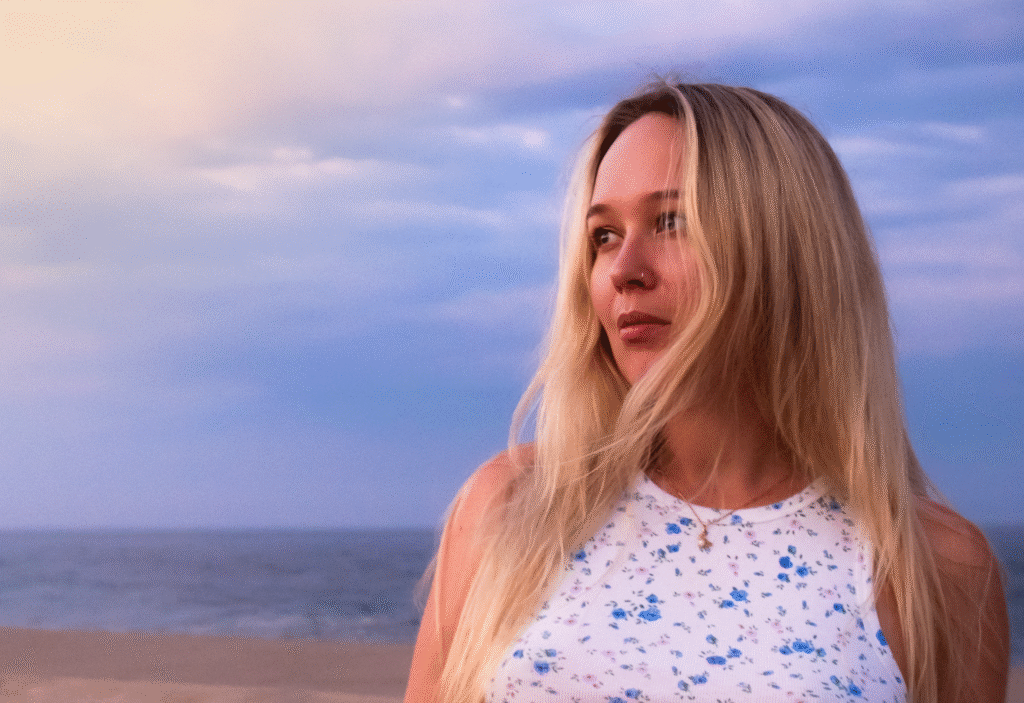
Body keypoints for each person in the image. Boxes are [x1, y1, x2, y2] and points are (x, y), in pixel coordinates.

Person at [404, 82, 1009, 703]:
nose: (624, 271)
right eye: (604, 236)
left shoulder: (934, 566)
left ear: (785, 252)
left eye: (671, 222)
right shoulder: (513, 507)